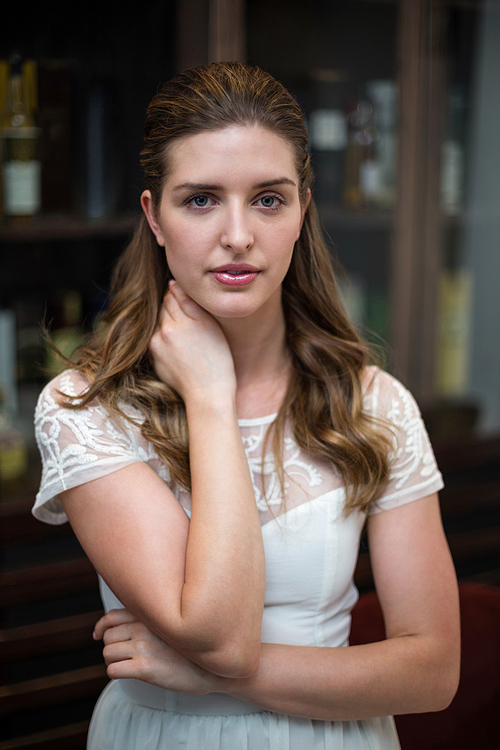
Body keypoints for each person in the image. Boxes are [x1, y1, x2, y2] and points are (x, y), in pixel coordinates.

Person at [33, 62, 460, 750]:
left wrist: (219, 678)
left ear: (302, 210)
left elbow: (433, 672)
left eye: (268, 199)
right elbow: (220, 635)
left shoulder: (375, 403)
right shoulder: (85, 409)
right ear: (154, 216)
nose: (238, 234)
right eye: (201, 199)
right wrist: (209, 394)